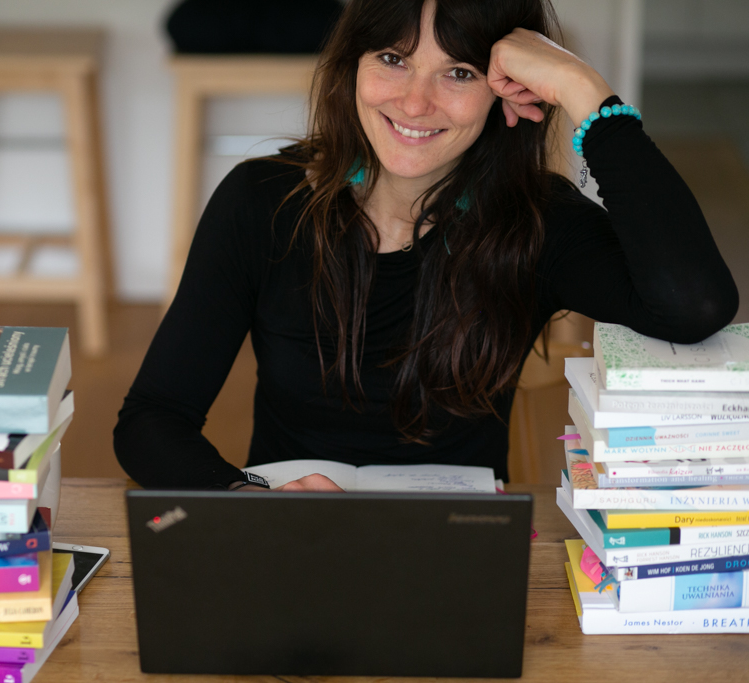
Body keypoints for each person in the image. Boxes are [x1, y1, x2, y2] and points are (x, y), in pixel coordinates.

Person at [114, 0, 738, 492]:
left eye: (459, 73)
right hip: (286, 532)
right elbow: (153, 416)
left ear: (508, 90)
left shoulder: (535, 221)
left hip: (461, 543)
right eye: (392, 58)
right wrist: (245, 497)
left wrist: (582, 87)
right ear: (352, 65)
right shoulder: (263, 201)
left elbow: (695, 306)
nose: (415, 102)